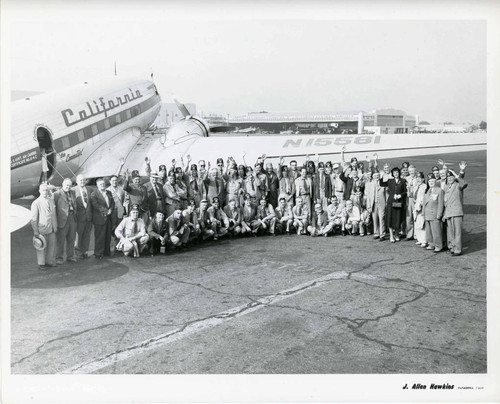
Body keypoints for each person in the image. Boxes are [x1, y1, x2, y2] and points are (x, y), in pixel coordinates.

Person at [31, 183, 58, 270]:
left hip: (52, 228)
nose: (45, 192)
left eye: (46, 190)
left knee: (51, 246)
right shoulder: (36, 203)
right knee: (41, 246)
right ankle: (41, 264)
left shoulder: (51, 200)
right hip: (42, 229)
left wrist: (55, 226)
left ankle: (49, 262)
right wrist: (35, 231)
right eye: (43, 190)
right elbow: (34, 219)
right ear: (39, 191)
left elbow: (53, 214)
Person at [443, 163, 468, 256]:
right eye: (448, 178)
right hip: (449, 212)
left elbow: (463, 183)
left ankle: (458, 249)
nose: (449, 179)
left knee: (457, 232)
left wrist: (460, 172)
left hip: (457, 212)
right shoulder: (446, 187)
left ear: (454, 178)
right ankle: (452, 247)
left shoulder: (458, 186)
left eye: (451, 177)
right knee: (450, 232)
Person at [53, 178, 77, 264]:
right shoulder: (57, 194)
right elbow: (53, 209)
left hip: (72, 218)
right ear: (63, 184)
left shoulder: (73, 192)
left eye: (70, 185)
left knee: (71, 239)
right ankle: (59, 258)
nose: (68, 187)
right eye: (67, 185)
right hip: (62, 220)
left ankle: (70, 256)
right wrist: (55, 222)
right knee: (61, 240)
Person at [90, 178, 116, 259]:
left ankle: (106, 252)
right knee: (99, 236)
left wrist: (110, 209)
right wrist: (106, 211)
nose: (103, 185)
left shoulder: (109, 192)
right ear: (97, 185)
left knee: (108, 235)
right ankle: (98, 253)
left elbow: (112, 203)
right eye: (101, 184)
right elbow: (96, 205)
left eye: (104, 184)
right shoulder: (94, 194)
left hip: (108, 218)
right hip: (99, 218)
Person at [380, 167, 407, 243]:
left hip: (398, 202)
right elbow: (382, 184)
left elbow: (405, 191)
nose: (396, 174)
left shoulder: (402, 181)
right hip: (391, 202)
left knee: (398, 218)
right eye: (394, 173)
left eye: (397, 172)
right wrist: (382, 176)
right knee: (390, 218)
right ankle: (391, 235)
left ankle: (396, 234)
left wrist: (400, 195)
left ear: (399, 173)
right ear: (392, 174)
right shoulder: (390, 181)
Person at [73, 174, 93, 259]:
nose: (82, 182)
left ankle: (85, 251)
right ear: (77, 181)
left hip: (89, 217)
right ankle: (78, 253)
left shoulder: (90, 189)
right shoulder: (73, 190)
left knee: (87, 235)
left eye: (83, 180)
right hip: (79, 217)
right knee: (78, 235)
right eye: (80, 180)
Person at [423, 175, 445, 252]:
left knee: (436, 231)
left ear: (435, 182)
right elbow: (424, 203)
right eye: (429, 181)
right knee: (429, 231)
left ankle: (438, 246)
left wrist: (439, 214)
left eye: (432, 181)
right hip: (427, 214)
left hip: (435, 214)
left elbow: (440, 203)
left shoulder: (439, 190)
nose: (431, 183)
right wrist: (423, 213)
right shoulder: (427, 191)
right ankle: (431, 244)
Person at [365, 171, 386, 241]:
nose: (377, 177)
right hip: (373, 204)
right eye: (375, 176)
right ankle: (376, 233)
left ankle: (382, 234)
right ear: (372, 177)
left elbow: (386, 194)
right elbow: (368, 196)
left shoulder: (383, 183)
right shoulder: (369, 184)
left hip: (382, 203)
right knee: (375, 219)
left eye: (378, 175)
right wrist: (369, 206)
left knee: (381, 218)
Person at [412, 172, 427, 247]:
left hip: (421, 207)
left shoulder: (425, 186)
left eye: (420, 178)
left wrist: (421, 205)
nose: (418, 180)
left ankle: (424, 241)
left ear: (423, 179)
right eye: (417, 178)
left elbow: (425, 197)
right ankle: (419, 239)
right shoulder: (416, 186)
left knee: (422, 224)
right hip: (416, 206)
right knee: (417, 223)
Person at [404, 165, 418, 240]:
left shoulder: (418, 178)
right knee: (408, 217)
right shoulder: (406, 179)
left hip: (415, 199)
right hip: (408, 199)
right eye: (410, 171)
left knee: (416, 216)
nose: (411, 172)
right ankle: (409, 234)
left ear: (415, 171)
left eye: (413, 171)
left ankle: (416, 235)